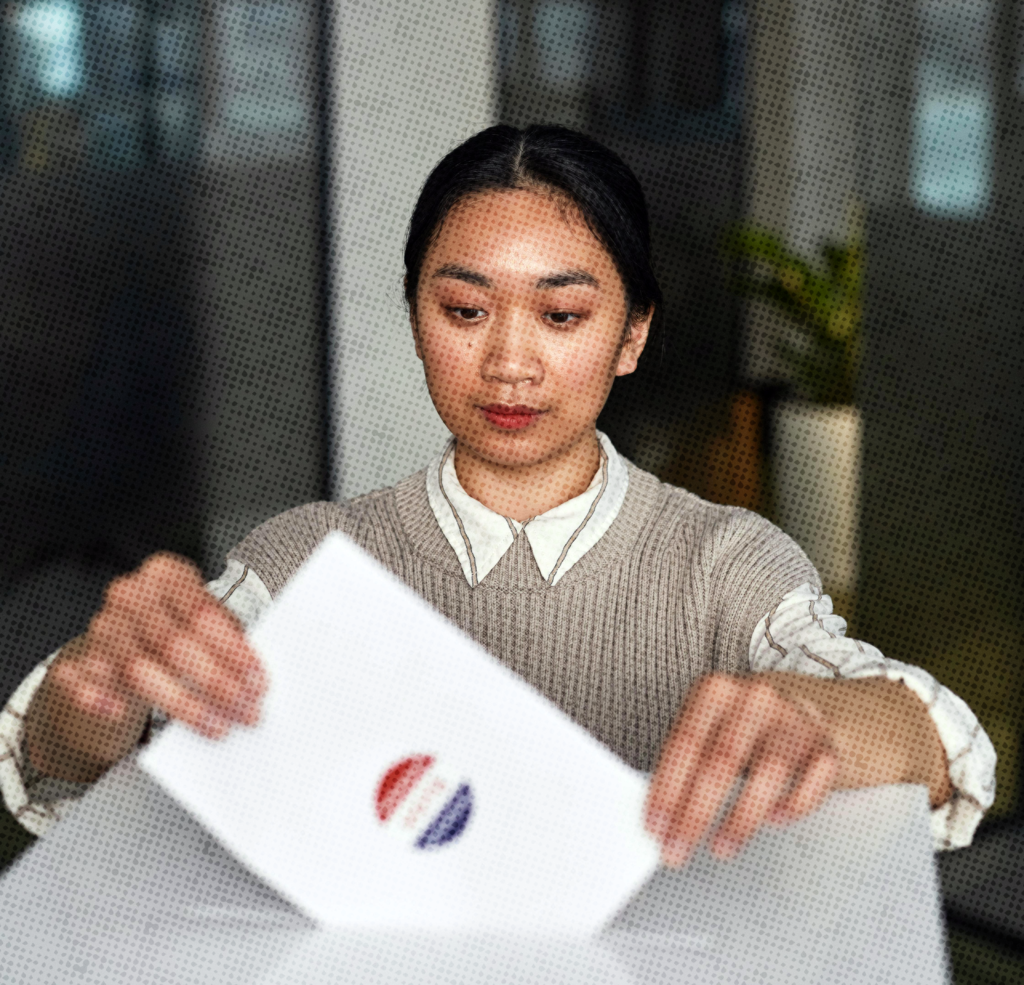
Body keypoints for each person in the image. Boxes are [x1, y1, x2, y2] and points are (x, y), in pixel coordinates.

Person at [0, 125, 994, 867]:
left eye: (561, 313)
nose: (510, 360)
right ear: (416, 317)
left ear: (633, 334)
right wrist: (101, 684)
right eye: (465, 309)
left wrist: (819, 716)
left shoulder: (726, 562)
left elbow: (947, 754)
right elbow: (57, 765)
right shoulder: (307, 557)